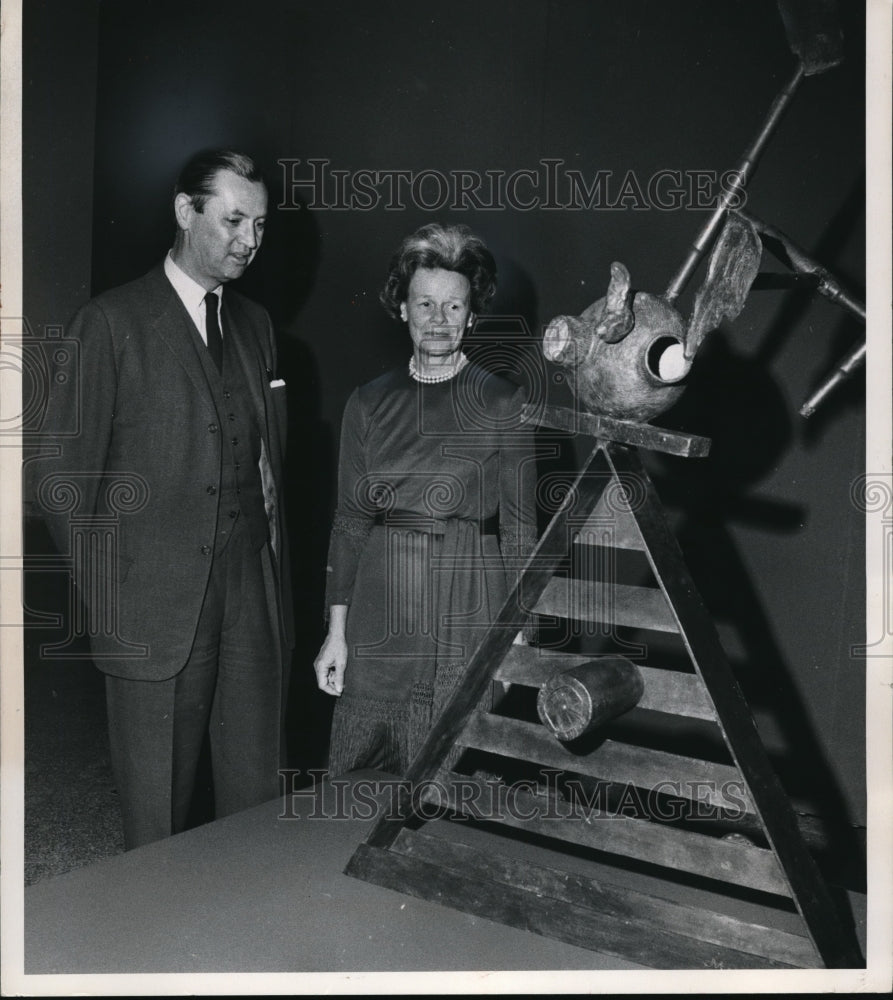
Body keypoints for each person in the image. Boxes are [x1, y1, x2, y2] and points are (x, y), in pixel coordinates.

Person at [30, 149, 294, 849]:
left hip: (249, 598)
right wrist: (114, 604)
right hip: (152, 611)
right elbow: (60, 482)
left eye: (260, 225)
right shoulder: (110, 323)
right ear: (185, 212)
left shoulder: (257, 326)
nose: (249, 240)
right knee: (157, 817)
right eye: (234, 219)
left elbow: (270, 463)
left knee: (254, 800)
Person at [313, 223, 538, 777]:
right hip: (379, 607)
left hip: (466, 605)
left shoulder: (505, 403)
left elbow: (520, 532)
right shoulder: (366, 404)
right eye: (426, 303)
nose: (439, 320)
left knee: (455, 785)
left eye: (454, 306)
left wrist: (521, 642)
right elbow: (348, 523)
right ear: (402, 309)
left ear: (472, 314)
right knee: (357, 789)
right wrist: (335, 635)